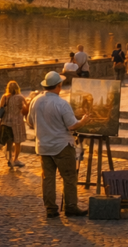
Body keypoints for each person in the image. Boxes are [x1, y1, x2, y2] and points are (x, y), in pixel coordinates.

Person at [27, 71, 96, 219]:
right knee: (69, 176)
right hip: (62, 146)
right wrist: (83, 121)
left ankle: (51, 209)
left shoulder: (35, 101)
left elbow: (30, 122)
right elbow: (72, 126)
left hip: (43, 146)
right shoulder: (61, 103)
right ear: (59, 86)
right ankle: (71, 207)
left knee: (48, 178)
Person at [0, 80, 29, 169]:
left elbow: (0, 107)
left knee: (9, 143)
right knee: (17, 143)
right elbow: (25, 109)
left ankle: (9, 159)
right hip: (17, 123)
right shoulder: (20, 97)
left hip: (6, 122)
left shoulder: (4, 97)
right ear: (17, 88)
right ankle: (16, 159)